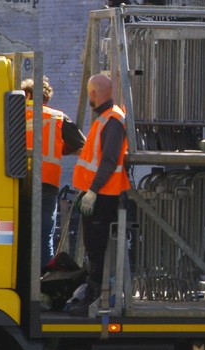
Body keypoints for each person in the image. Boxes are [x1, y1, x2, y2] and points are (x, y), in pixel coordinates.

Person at [70, 73, 131, 308]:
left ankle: (96, 293)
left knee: (96, 248)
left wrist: (93, 191)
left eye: (89, 95)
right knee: (94, 247)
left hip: (103, 196)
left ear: (93, 94)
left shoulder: (112, 120)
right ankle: (94, 289)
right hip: (98, 194)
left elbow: (109, 160)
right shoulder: (107, 119)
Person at [24, 77, 86, 269]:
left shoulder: (12, 113)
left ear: (27, 95)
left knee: (18, 232)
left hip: (18, 183)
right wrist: (63, 147)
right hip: (47, 183)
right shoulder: (57, 117)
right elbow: (82, 146)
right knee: (44, 236)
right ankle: (44, 280)